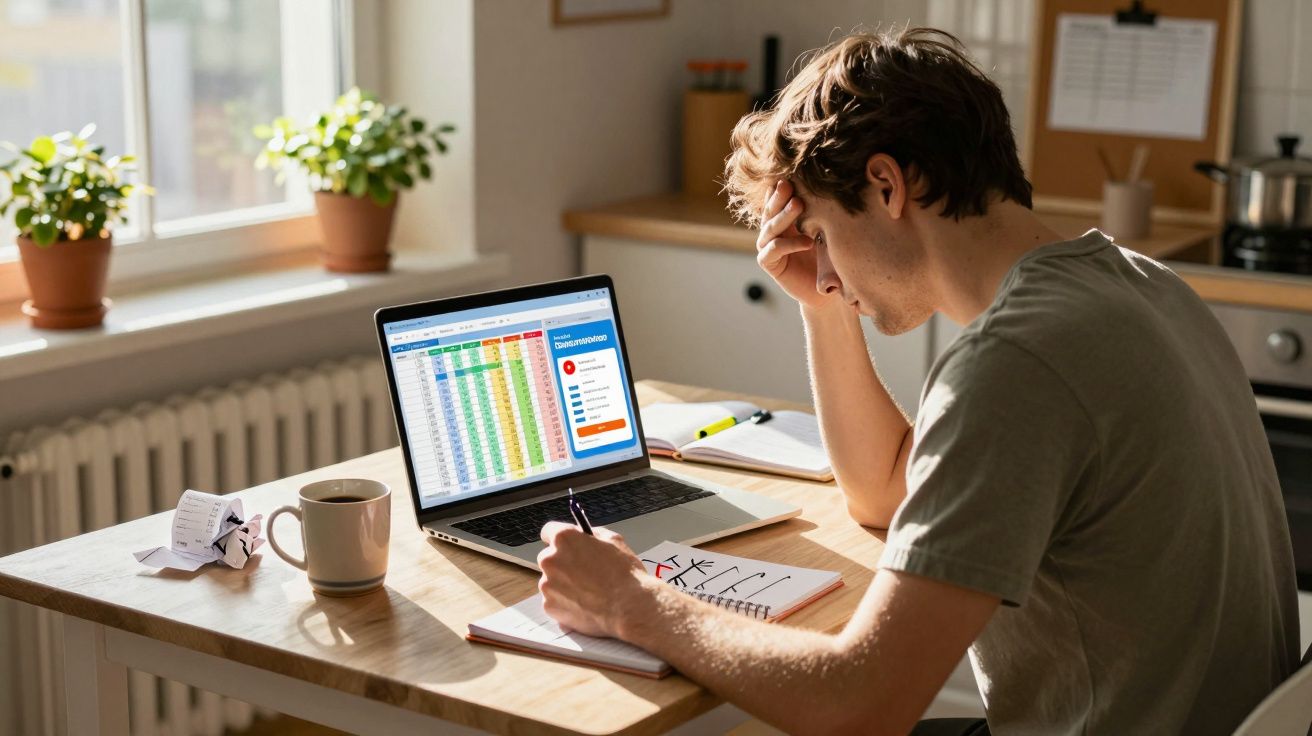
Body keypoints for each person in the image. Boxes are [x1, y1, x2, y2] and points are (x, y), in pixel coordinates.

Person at [536, 27, 1300, 735]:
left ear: (888, 185)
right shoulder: (1140, 286)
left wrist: (634, 602)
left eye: (823, 234)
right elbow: (882, 492)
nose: (823, 265)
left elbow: (860, 703)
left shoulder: (1015, 367)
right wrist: (826, 309)